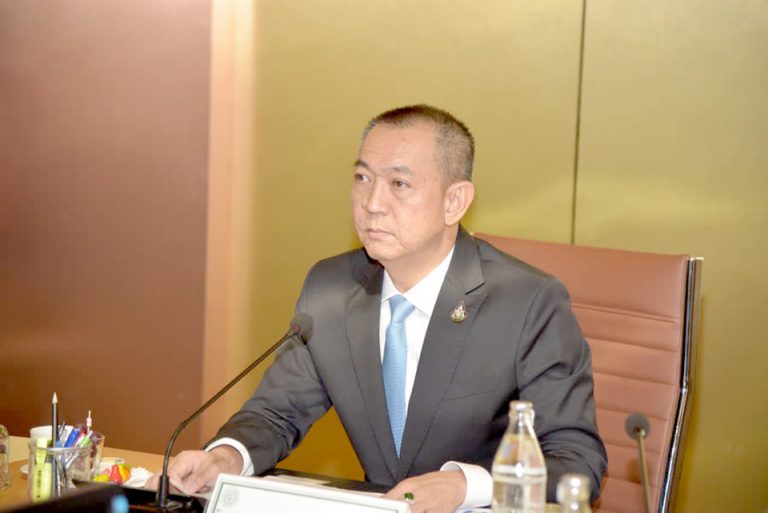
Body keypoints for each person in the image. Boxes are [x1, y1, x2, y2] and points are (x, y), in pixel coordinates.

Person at [150, 105, 607, 512]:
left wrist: (462, 486)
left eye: (399, 184)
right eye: (363, 178)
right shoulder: (331, 289)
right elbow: (276, 413)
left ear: (454, 202)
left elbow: (577, 462)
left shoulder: (527, 302)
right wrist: (225, 457)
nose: (372, 204)